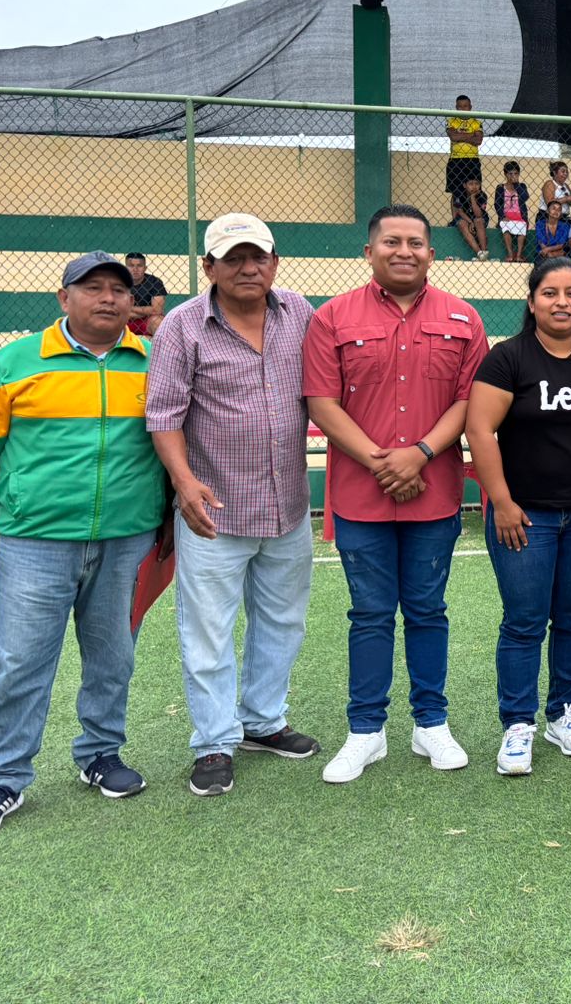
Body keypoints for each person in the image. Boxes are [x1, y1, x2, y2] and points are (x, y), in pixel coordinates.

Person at [0, 252, 164, 838]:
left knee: (114, 656)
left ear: (132, 301)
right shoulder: (15, 361)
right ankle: (3, 778)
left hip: (128, 537)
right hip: (36, 539)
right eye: (92, 287)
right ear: (64, 298)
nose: (108, 298)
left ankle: (100, 753)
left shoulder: (154, 362)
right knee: (18, 660)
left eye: (119, 288)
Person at [303, 205, 489, 784]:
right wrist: (381, 461)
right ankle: (366, 730)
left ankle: (430, 723)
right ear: (369, 251)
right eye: (391, 242)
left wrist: (421, 454)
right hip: (361, 496)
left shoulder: (463, 318)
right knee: (370, 613)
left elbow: (471, 400)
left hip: (433, 493)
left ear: (432, 253)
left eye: (415, 242)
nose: (403, 251)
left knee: (428, 610)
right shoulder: (331, 318)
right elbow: (321, 401)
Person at [145, 213, 319, 799]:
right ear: (209, 267)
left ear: (275, 262)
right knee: (208, 632)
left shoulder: (299, 313)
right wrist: (184, 482)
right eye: (233, 258)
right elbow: (163, 414)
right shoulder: (182, 326)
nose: (248, 268)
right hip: (213, 511)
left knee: (283, 621)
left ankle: (263, 721)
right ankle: (215, 742)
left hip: (288, 505)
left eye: (258, 256)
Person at [467, 259, 571, 776]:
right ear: (532, 301)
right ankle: (518, 723)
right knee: (524, 622)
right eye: (550, 293)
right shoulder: (507, 358)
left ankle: (564, 714)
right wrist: (502, 501)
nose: (562, 302)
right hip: (525, 517)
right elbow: (480, 430)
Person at [446, 95, 488, 260]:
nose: (463, 109)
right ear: (456, 108)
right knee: (455, 191)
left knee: (475, 190)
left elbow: (478, 140)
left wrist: (462, 136)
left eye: (465, 106)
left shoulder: (476, 122)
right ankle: (455, 218)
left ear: (470, 107)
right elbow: (453, 137)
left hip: (472, 160)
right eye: (460, 106)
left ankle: (476, 216)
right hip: (456, 160)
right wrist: (470, 137)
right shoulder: (451, 121)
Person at [493, 160, 530, 264]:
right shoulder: (500, 187)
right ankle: (510, 254)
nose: (513, 176)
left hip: (520, 216)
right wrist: (502, 216)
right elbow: (497, 204)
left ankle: (518, 255)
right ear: (505, 174)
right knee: (506, 228)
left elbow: (525, 197)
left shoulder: (522, 186)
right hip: (506, 216)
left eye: (515, 173)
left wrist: (516, 184)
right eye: (510, 174)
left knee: (522, 227)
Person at [125, 252, 166, 336]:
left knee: (158, 321)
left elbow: (157, 310)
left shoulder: (155, 282)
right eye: (131, 266)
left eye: (139, 266)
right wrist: (146, 310)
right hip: (124, 321)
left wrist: (129, 308)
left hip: (147, 321)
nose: (135, 269)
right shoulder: (118, 281)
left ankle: (160, 344)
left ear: (145, 268)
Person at [535, 198, 571, 263]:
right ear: (547, 211)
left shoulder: (565, 226)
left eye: (559, 210)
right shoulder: (540, 224)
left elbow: (561, 245)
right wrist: (548, 253)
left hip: (558, 253)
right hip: (544, 254)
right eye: (553, 208)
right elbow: (542, 244)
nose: (556, 211)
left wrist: (548, 251)